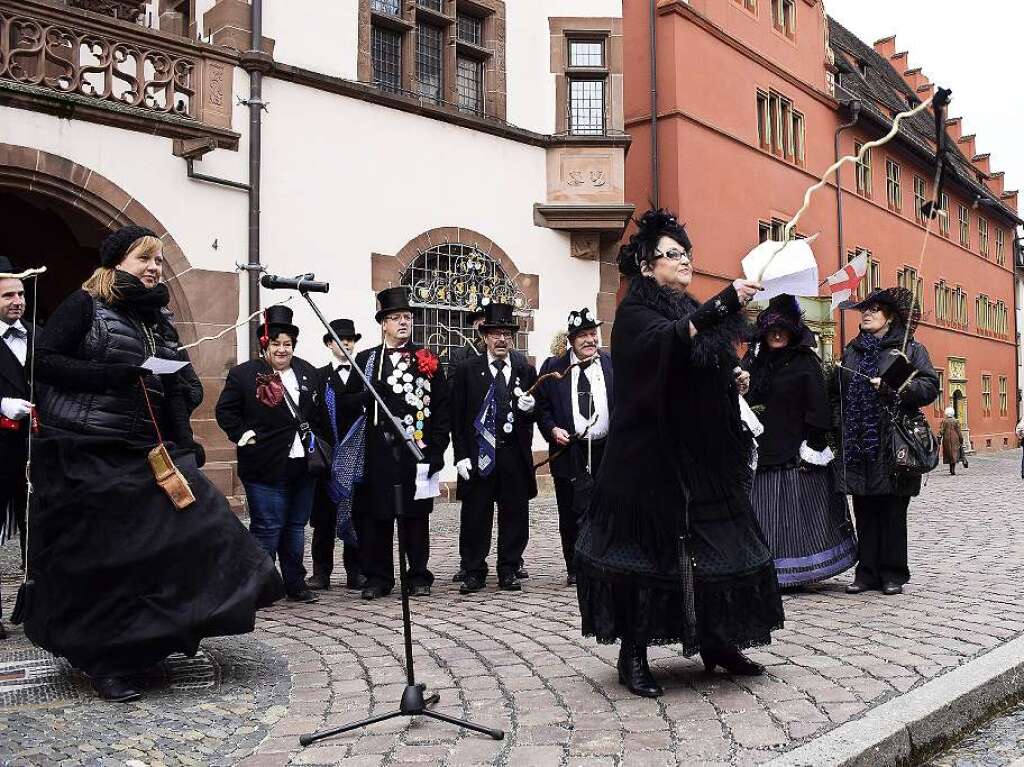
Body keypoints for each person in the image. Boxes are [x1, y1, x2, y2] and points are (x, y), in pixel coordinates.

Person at [27, 226, 283, 702]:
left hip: (149, 451)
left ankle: (155, 640)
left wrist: (185, 428)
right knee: (110, 562)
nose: (153, 268)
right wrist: (113, 375)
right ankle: (107, 663)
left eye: (159, 261)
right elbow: (44, 362)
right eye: (144, 258)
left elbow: (178, 387)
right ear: (117, 262)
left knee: (199, 528)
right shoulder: (86, 305)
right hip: (90, 452)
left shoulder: (159, 318)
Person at [574, 209, 784, 698]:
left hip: (702, 456)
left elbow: (698, 360)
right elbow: (662, 348)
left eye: (686, 253)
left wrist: (728, 376)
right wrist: (723, 301)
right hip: (649, 461)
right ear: (648, 267)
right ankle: (633, 655)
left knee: (722, 548)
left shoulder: (688, 306)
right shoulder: (634, 313)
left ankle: (718, 641)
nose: (683, 260)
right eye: (671, 255)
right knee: (646, 561)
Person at [216, 305, 330, 604]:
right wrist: (244, 435)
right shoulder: (244, 375)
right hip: (264, 465)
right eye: (276, 343)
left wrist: (319, 445)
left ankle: (295, 583)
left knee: (294, 527)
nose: (282, 349)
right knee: (267, 528)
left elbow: (318, 415)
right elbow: (225, 412)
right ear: (265, 344)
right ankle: (260, 587)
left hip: (302, 466)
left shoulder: (308, 372)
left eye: (287, 344)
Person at [744, 295, 856, 588]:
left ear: (793, 331)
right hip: (763, 450)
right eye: (771, 329)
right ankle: (767, 571)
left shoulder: (805, 362)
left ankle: (803, 572)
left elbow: (818, 406)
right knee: (764, 514)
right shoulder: (756, 362)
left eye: (782, 329)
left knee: (799, 517)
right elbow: (746, 401)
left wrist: (814, 445)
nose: (777, 334)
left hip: (798, 451)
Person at [835, 287, 939, 597]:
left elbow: (929, 386)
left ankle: (893, 573)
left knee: (893, 511)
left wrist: (893, 386)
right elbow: (838, 393)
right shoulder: (853, 350)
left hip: (894, 442)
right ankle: (866, 573)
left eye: (874, 310)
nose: (866, 314)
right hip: (858, 442)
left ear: (889, 316)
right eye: (864, 310)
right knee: (864, 510)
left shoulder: (909, 348)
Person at [353, 287, 450, 600]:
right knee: (377, 516)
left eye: (407, 316)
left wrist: (436, 449)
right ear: (383, 323)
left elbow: (442, 408)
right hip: (379, 449)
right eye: (395, 317)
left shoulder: (427, 358)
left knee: (416, 517)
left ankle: (418, 575)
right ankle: (378, 577)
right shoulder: (367, 359)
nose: (403, 322)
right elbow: (349, 405)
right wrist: (366, 397)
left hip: (416, 448)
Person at [451, 302, 538, 594]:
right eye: (495, 334)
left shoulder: (525, 368)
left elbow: (531, 416)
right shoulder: (467, 369)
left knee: (515, 513)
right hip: (479, 454)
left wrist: (529, 409)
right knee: (476, 514)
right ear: (485, 336)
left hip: (512, 453)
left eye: (506, 334)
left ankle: (509, 569)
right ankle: (474, 570)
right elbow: (458, 417)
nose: (501, 340)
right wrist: (460, 455)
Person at [536, 307, 614, 586]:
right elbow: (542, 408)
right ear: (571, 340)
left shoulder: (610, 363)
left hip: (605, 449)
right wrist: (552, 429)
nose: (590, 340)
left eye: (593, 334)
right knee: (570, 512)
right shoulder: (553, 367)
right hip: (570, 450)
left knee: (606, 509)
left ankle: (604, 563)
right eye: (582, 336)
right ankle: (575, 566)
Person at [307, 318, 367, 591]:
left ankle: (356, 572)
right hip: (328, 457)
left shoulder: (363, 375)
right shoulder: (318, 377)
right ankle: (321, 573)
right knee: (324, 519)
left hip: (356, 457)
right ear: (329, 343)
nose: (345, 343)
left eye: (349, 339)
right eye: (339, 339)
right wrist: (325, 448)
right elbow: (311, 415)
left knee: (356, 516)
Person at [0, 256, 33, 641]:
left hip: (32, 452)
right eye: (9, 295)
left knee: (35, 531)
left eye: (21, 293)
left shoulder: (37, 336)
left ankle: (33, 605)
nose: (17, 301)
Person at [938, 406, 964, 476]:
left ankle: (951, 469)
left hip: (946, 439)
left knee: (949, 454)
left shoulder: (944, 421)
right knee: (954, 453)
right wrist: (961, 439)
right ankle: (953, 469)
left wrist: (939, 438)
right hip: (955, 439)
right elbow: (959, 431)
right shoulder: (956, 421)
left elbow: (941, 430)